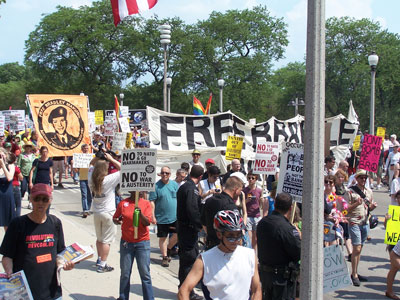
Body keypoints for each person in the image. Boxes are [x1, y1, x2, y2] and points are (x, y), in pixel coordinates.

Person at [0, 183, 74, 300]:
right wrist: (9, 272)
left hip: (52, 293)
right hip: (24, 293)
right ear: (30, 199)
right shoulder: (18, 224)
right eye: (37, 199)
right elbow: (7, 256)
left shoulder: (55, 223)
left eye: (44, 199)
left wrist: (64, 264)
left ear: (50, 200)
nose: (40, 203)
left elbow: (60, 253)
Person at [178, 210, 262, 300]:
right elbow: (184, 290)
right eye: (230, 236)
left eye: (238, 235)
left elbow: (256, 289)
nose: (235, 240)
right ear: (219, 235)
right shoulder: (204, 260)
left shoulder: (249, 255)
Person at [257, 192, 301, 300]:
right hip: (281, 280)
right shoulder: (286, 228)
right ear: (291, 208)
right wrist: (299, 237)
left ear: (275, 204)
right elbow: (298, 252)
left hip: (265, 277)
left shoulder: (262, 222)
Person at [113, 191, 155, 300]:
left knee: (145, 274)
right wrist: (117, 220)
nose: (139, 191)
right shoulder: (123, 203)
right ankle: (123, 297)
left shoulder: (146, 204)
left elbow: (147, 223)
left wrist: (140, 213)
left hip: (142, 243)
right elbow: (115, 217)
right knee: (125, 274)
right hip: (127, 243)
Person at [344, 169, 377, 286]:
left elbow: (369, 208)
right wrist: (356, 204)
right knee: (356, 248)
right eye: (361, 178)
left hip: (365, 222)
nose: (363, 180)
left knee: (360, 249)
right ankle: (354, 274)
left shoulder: (369, 192)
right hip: (354, 221)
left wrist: (372, 207)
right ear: (356, 179)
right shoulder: (350, 191)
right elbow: (345, 209)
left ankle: (355, 272)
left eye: (365, 178)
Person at [89, 153, 121, 273]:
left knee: (99, 238)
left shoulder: (91, 179)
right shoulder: (108, 180)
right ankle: (103, 264)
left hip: (97, 212)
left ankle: (99, 258)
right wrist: (111, 159)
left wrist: (98, 157)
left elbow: (91, 164)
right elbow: (123, 169)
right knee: (106, 240)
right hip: (108, 212)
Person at [177, 165, 204, 300]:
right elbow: (192, 209)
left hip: (184, 229)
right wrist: (199, 225)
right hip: (188, 229)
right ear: (200, 177)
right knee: (189, 260)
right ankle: (187, 291)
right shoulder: (191, 189)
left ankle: (184, 288)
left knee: (186, 260)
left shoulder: (184, 186)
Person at [201, 176, 244, 250]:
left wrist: (212, 235)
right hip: (225, 248)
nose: (240, 193)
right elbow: (236, 232)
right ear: (236, 190)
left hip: (211, 245)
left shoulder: (209, 200)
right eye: (240, 191)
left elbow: (204, 223)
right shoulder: (230, 206)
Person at [149, 166, 179, 267]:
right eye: (163, 173)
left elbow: (179, 199)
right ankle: (165, 257)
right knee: (163, 238)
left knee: (177, 234)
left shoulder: (175, 185)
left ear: (170, 174)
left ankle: (169, 248)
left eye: (167, 173)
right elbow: (152, 201)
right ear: (160, 174)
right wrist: (153, 216)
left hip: (174, 217)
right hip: (161, 217)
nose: (165, 175)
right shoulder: (156, 186)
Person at [244, 170, 263, 251]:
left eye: (253, 178)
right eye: (249, 178)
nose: (250, 179)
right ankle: (250, 254)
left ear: (256, 179)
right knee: (249, 238)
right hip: (248, 216)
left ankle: (254, 255)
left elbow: (261, 205)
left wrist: (262, 201)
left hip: (257, 216)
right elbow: (241, 204)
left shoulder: (259, 190)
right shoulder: (244, 190)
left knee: (255, 239)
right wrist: (246, 201)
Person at [74, 144, 92, 218]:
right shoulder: (79, 157)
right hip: (82, 178)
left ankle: (88, 209)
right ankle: (85, 210)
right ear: (82, 149)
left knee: (89, 196)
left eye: (87, 148)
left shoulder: (91, 157)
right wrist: (74, 165)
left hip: (90, 179)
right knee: (84, 195)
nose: (86, 149)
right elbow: (76, 170)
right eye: (84, 148)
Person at [0, 148, 16, 231]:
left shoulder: (10, 166)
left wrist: (3, 165)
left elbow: (9, 177)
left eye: (2, 154)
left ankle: (8, 242)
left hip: (7, 197)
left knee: (7, 224)